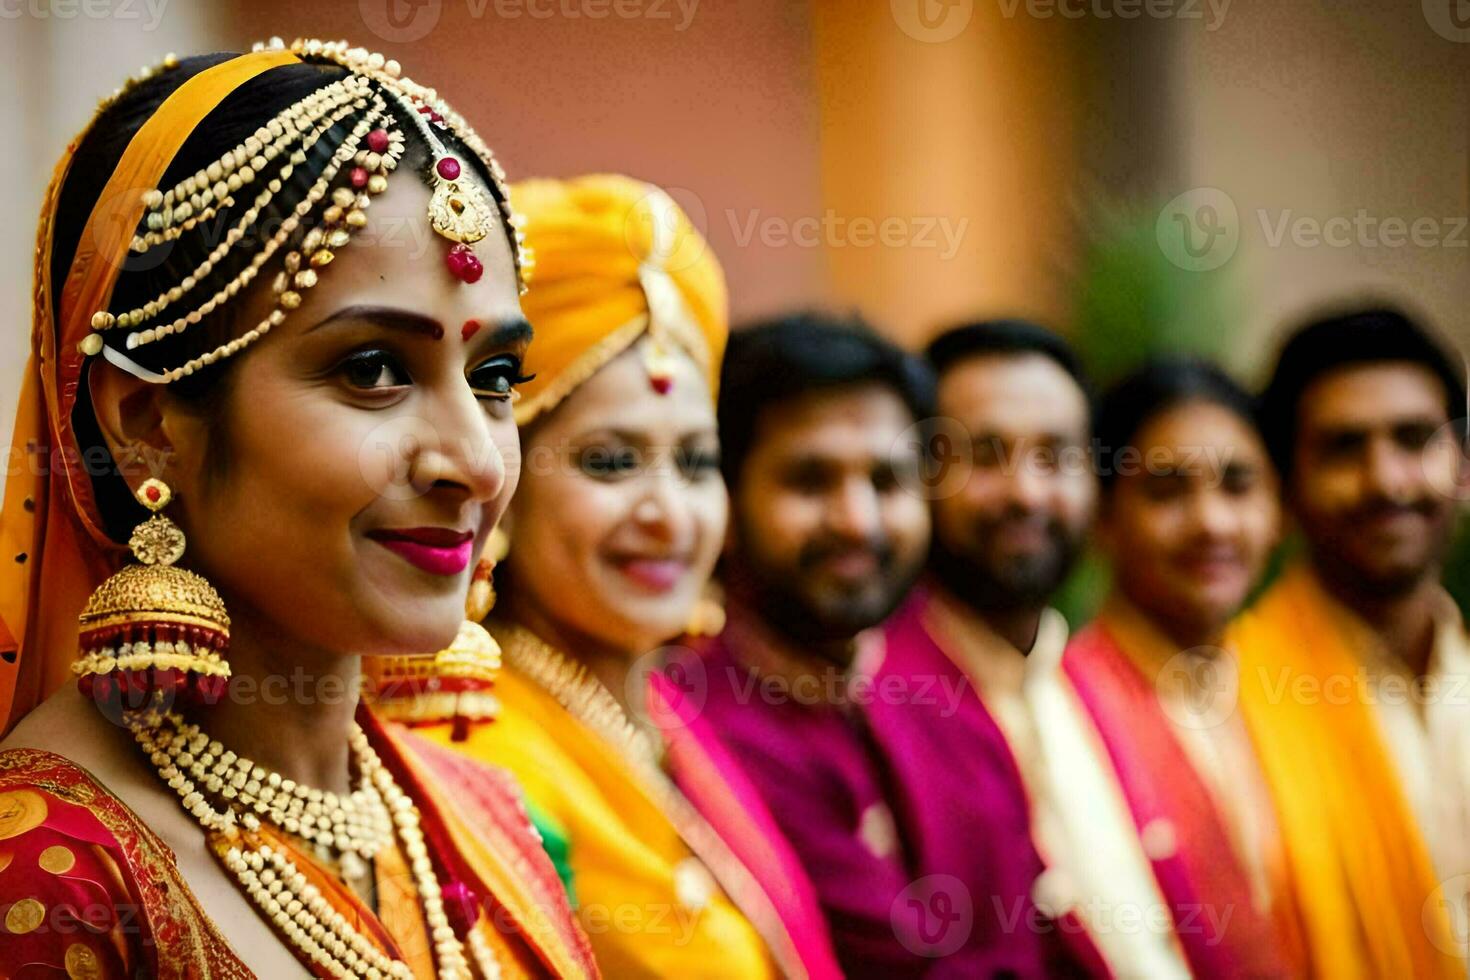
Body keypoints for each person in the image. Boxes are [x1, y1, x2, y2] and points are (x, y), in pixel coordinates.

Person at [0, 38, 597, 977]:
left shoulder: (485, 816)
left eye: (493, 378)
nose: (476, 462)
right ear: (150, 420)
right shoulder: (53, 874)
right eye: (372, 371)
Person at [370, 173, 839, 979]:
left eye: (695, 462)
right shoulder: (477, 761)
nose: (670, 513)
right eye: (611, 461)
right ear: (505, 485)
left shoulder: (661, 721)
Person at [866, 319, 1172, 975]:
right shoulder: (875, 700)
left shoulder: (1097, 685)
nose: (1026, 494)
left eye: (1055, 456)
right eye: (984, 456)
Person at [656, 312, 937, 979]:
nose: (857, 522)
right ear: (723, 493)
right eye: (811, 482)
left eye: (888, 481)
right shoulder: (698, 723)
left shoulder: (940, 687)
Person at [1231, 305, 1469, 977]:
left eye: (1415, 438)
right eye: (1343, 448)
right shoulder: (1232, 696)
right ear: (1287, 486)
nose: (1386, 481)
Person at [1063, 357, 1299, 976]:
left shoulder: (1300, 690)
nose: (1211, 523)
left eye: (1239, 485)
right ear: (1103, 519)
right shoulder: (1063, 708)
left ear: (1279, 509)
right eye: (1166, 491)